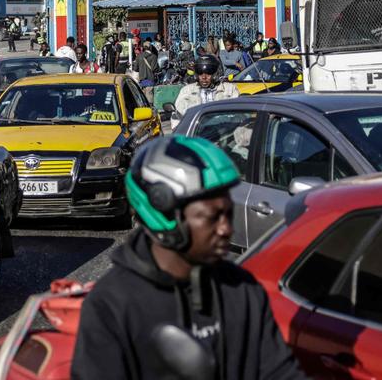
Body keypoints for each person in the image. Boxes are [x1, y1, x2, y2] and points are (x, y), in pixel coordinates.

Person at [72, 135, 307, 380]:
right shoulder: (112, 306)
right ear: (165, 216)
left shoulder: (242, 288)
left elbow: (280, 372)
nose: (226, 228)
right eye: (212, 217)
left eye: (227, 214)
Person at [173, 55, 240, 119]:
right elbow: (177, 115)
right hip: (197, 129)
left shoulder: (229, 89)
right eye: (200, 73)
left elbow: (238, 114)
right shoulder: (186, 91)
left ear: (215, 74)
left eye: (208, 73)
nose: (204, 77)